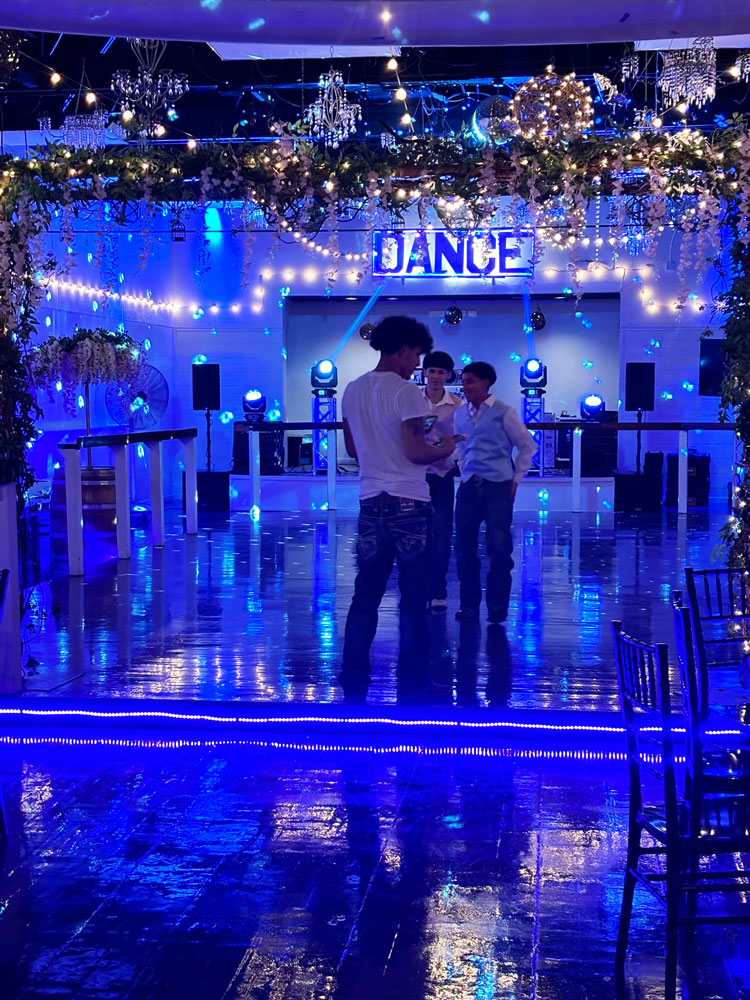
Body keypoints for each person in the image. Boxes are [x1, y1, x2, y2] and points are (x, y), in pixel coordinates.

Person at [339, 316, 457, 699]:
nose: (416, 365)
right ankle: (412, 680)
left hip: (370, 501)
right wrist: (448, 447)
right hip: (411, 502)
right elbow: (416, 450)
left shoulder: (352, 390)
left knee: (366, 594)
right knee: (412, 596)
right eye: (417, 356)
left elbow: (353, 451)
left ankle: (353, 676)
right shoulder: (407, 392)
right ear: (403, 348)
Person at [453, 361, 537, 625]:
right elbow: (459, 446)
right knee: (464, 548)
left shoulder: (505, 412)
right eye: (464, 381)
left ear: (486, 382)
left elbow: (527, 446)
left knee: (499, 547)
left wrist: (515, 480)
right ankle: (468, 605)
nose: (465, 386)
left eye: (470, 381)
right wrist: (464, 468)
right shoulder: (459, 414)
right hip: (469, 486)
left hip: (498, 486)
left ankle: (497, 607)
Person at [422, 350, 462, 612]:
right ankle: (414, 589)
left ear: (449, 375)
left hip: (443, 474)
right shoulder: (410, 399)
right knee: (413, 535)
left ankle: (438, 592)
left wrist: (451, 453)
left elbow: (462, 437)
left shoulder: (457, 405)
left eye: (441, 372)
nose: (436, 376)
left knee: (441, 534)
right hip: (414, 474)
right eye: (432, 371)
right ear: (424, 372)